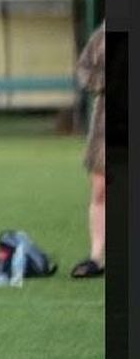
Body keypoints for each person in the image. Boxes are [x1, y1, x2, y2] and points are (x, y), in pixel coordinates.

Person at [70, 21, 105, 278]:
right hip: (106, 125)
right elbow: (84, 69)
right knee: (100, 190)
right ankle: (96, 257)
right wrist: (102, 82)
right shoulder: (104, 33)